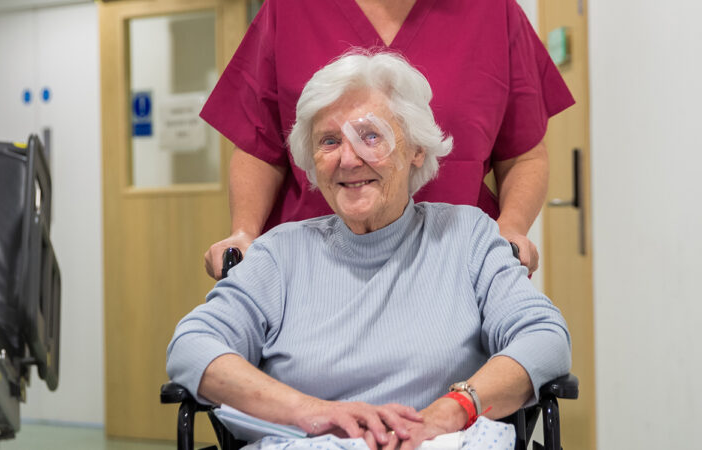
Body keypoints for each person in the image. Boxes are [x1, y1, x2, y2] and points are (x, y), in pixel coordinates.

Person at [165, 51, 571, 449]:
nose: (348, 159)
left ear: (416, 149)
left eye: (370, 136)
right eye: (328, 141)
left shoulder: (468, 238)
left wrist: (451, 410)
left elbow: (544, 337)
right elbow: (193, 345)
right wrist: (311, 412)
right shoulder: (280, 255)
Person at [199, 0, 574, 279]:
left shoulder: (492, 12)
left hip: (454, 269)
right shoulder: (291, 9)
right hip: (314, 269)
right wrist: (244, 233)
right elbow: (258, 144)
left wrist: (509, 230)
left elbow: (523, 153)